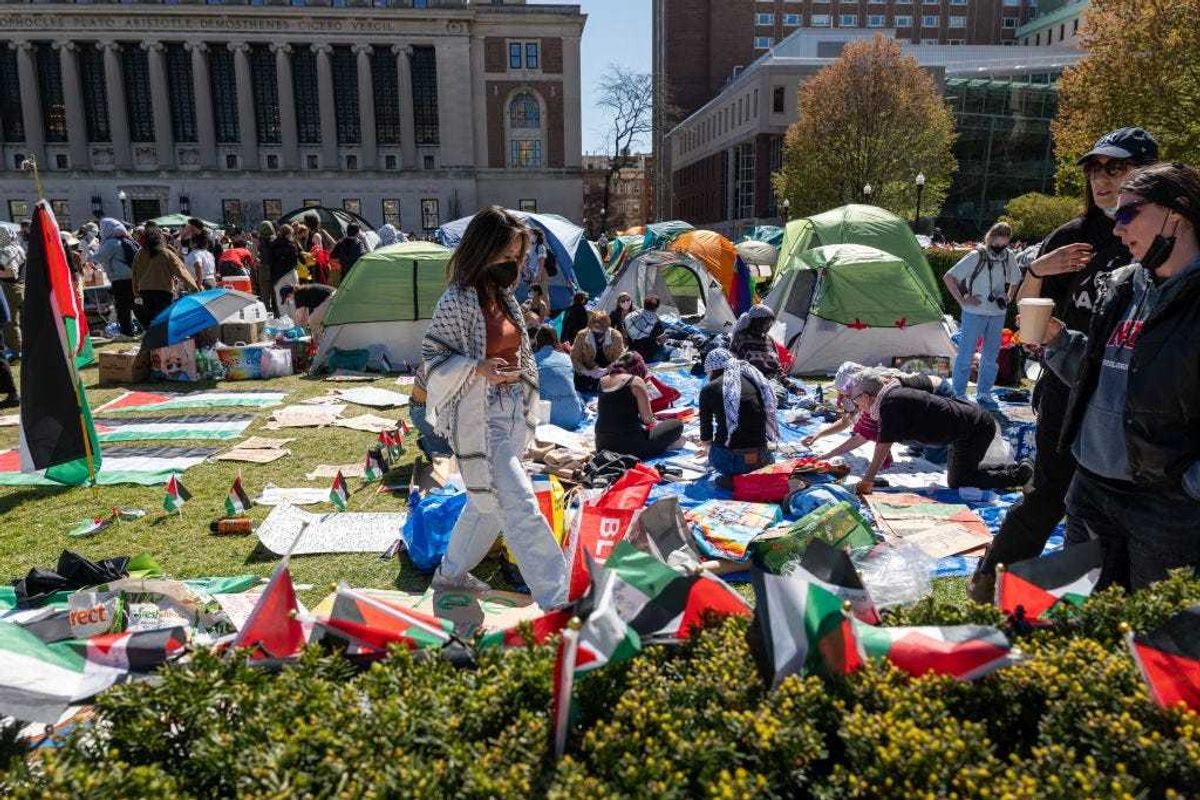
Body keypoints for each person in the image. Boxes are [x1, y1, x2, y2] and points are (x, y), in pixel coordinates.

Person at [968, 126, 1160, 602]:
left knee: (1123, 504)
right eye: (1095, 168)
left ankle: (1108, 605)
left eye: (1116, 168)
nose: (1102, 179)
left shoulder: (1162, 239)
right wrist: (1036, 271)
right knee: (1051, 493)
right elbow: (1028, 322)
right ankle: (991, 580)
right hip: (1068, 385)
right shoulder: (1074, 237)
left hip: (1135, 396)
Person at [1026, 162, 1200, 592]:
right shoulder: (1124, 284)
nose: (1117, 230)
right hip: (1090, 489)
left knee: (1157, 640)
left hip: (1166, 506)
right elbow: (1099, 371)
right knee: (1079, 624)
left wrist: (1190, 486)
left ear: (1175, 214)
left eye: (1127, 214)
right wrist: (1058, 341)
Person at [421, 206, 567, 610]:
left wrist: (514, 374)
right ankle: (559, 599)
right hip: (477, 414)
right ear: (482, 251)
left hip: (508, 407)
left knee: (484, 501)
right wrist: (478, 368)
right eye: (505, 257)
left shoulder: (504, 298)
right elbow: (432, 357)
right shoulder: (458, 299)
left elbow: (514, 347)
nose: (512, 267)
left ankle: (449, 575)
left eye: (517, 258)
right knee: (519, 504)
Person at [845, 372, 1032, 496]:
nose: (856, 404)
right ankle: (1014, 469)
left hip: (974, 428)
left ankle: (1021, 475)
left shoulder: (890, 404)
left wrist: (868, 479)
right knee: (961, 473)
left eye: (855, 399)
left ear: (867, 396)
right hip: (966, 427)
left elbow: (883, 446)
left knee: (959, 481)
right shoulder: (890, 396)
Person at [943, 222, 1022, 406]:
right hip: (974, 312)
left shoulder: (1007, 256)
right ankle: (958, 392)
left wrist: (1009, 296)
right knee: (966, 353)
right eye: (996, 245)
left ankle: (984, 392)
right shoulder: (976, 256)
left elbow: (1016, 278)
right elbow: (949, 277)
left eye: (1004, 245)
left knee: (991, 356)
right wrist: (963, 300)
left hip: (997, 313)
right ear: (989, 240)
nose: (999, 249)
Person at [697, 348, 777, 478]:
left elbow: (706, 434)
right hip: (762, 458)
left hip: (732, 462)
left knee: (717, 450)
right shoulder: (754, 381)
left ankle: (734, 480)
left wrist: (710, 449)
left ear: (711, 370)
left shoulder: (709, 389)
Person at [594, 352, 684, 459]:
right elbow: (648, 419)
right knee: (676, 424)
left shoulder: (602, 381)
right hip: (630, 446)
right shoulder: (635, 381)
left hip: (602, 444)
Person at [131, 225, 199, 326]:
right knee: (165, 319)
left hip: (145, 292)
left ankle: (155, 338)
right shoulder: (165, 253)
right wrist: (194, 287)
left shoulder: (139, 254)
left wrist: (136, 292)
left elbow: (135, 275)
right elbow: (181, 271)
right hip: (163, 291)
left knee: (153, 319)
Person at [532, 326, 585, 429]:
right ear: (556, 340)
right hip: (573, 418)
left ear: (537, 340)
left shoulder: (533, 360)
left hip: (547, 420)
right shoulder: (566, 358)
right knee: (577, 394)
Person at [93, 218, 138, 337]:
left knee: (122, 307)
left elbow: (98, 257)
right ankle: (143, 328)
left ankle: (126, 332)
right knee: (135, 305)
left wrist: (87, 255)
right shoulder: (128, 240)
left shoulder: (111, 243)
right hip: (133, 278)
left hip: (120, 279)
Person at [570, 310, 624, 392]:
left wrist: (606, 370)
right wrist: (586, 371)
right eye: (594, 332)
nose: (597, 335)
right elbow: (574, 357)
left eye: (600, 332)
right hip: (588, 370)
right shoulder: (582, 335)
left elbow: (620, 358)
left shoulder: (616, 336)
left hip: (608, 371)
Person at [408, 363, 451, 457]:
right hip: (424, 413)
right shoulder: (442, 364)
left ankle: (428, 439)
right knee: (449, 457)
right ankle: (429, 444)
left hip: (425, 410)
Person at [0, 226, 24, 358]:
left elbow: (10, 273)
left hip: (11, 288)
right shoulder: (17, 247)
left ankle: (17, 352)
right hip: (20, 286)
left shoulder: (7, 250)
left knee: (11, 324)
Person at [266, 224, 301, 314]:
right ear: (288, 234)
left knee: (281, 301)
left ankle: (285, 323)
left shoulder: (272, 245)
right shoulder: (291, 244)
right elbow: (295, 261)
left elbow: (269, 261)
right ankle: (295, 323)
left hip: (277, 277)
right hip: (290, 274)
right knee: (293, 300)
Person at [624, 295, 666, 362]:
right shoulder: (656, 320)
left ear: (644, 304)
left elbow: (625, 337)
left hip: (633, 353)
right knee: (668, 349)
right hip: (649, 356)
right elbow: (662, 340)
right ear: (656, 307)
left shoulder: (630, 316)